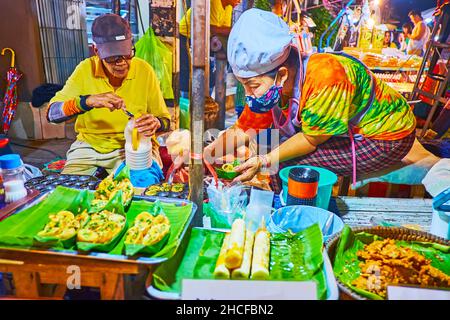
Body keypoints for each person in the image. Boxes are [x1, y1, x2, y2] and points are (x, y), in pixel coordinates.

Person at [203, 9, 440, 185]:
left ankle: (288, 217)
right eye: (243, 85)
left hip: (386, 137)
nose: (249, 94)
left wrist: (264, 160)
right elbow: (244, 129)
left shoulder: (326, 76)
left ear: (281, 75)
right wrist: (206, 154)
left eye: (252, 85)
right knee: (266, 144)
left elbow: (311, 139)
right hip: (348, 129)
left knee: (283, 163)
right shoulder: (272, 84)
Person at [47, 14, 171, 176]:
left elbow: (166, 122)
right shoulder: (85, 70)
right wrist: (87, 102)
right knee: (68, 191)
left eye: (127, 54)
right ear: (96, 51)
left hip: (134, 144)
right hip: (90, 145)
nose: (121, 63)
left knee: (140, 186)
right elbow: (52, 114)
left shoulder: (144, 70)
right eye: (113, 57)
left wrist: (156, 123)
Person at [178, 0, 241, 96]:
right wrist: (236, 30)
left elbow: (224, 30)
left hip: (206, 38)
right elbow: (213, 28)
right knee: (188, 76)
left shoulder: (228, 7)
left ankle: (206, 100)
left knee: (210, 75)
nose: (239, 1)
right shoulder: (214, 2)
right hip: (187, 37)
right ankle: (187, 104)